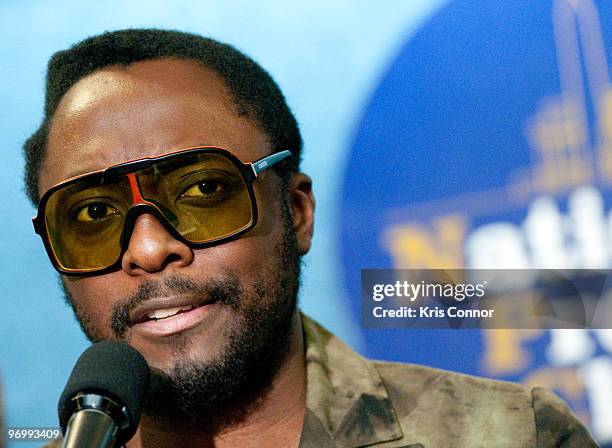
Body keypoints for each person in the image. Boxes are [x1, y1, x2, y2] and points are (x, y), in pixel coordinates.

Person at [25, 29, 597, 448]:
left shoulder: (513, 435)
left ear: (295, 211)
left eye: (201, 190)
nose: (148, 250)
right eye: (93, 213)